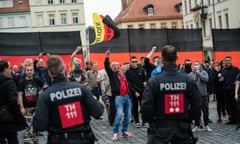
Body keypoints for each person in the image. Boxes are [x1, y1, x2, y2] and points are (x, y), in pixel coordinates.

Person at [32, 55, 104, 144]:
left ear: (49, 73)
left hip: (59, 139)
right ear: (64, 70)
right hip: (83, 138)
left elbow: (39, 125)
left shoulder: (45, 96)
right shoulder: (81, 89)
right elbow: (98, 111)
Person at [141, 45, 201, 144]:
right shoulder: (187, 79)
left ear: (162, 59)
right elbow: (197, 102)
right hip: (182, 126)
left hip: (161, 127)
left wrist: (150, 120)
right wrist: (190, 118)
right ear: (176, 58)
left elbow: (146, 105)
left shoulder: (154, 81)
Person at [104, 49, 133, 141]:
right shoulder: (112, 75)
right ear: (112, 67)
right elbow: (106, 66)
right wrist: (107, 57)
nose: (117, 67)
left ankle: (124, 131)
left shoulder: (122, 75)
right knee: (119, 114)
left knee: (128, 115)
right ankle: (115, 133)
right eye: (115, 66)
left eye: (118, 65)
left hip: (126, 97)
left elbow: (127, 85)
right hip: (118, 97)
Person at [0, 60, 27, 144]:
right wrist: (18, 118)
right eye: (9, 68)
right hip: (8, 120)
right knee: (13, 140)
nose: (10, 70)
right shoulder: (9, 82)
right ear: (5, 69)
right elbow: (13, 102)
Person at [189, 60, 212, 132]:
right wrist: (195, 74)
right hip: (195, 96)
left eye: (197, 64)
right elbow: (191, 82)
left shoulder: (204, 72)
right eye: (195, 64)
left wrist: (199, 74)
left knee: (205, 111)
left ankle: (206, 125)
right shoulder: (190, 74)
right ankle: (197, 125)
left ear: (200, 65)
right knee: (196, 111)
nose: (196, 66)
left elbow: (206, 79)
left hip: (203, 95)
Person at [125, 56, 147, 128]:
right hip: (133, 91)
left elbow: (145, 79)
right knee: (135, 107)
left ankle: (144, 121)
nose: (134, 63)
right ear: (130, 62)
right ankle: (137, 121)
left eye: (135, 61)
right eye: (133, 62)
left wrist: (145, 82)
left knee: (143, 107)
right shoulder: (128, 72)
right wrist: (134, 92)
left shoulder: (141, 70)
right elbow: (128, 84)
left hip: (142, 91)